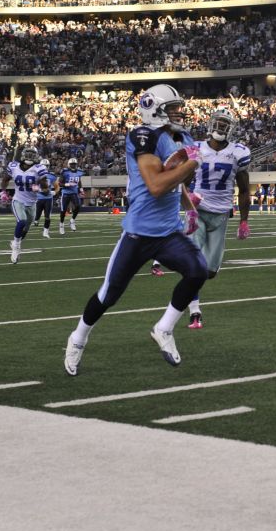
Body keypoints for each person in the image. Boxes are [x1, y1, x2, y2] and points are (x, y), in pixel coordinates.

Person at [64, 84, 209, 376]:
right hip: (138, 234)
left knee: (197, 271)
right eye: (172, 108)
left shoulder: (183, 137)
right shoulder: (142, 135)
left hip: (168, 233)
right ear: (154, 108)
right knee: (109, 294)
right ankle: (78, 337)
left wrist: (189, 205)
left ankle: (164, 328)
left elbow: (175, 178)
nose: (178, 113)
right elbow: (156, 185)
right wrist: (193, 161)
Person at [185, 107, 252, 329]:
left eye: (226, 124)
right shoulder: (196, 148)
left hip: (221, 213)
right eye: (219, 123)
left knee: (210, 271)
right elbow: (182, 182)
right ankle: (194, 311)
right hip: (198, 210)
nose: (221, 127)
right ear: (211, 124)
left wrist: (244, 220)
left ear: (231, 129)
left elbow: (243, 190)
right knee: (193, 263)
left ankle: (191, 291)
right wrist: (188, 203)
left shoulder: (238, 152)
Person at [0, 145, 50, 264]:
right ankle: (16, 246)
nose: (30, 157)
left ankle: (17, 242)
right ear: (23, 155)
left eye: (32, 154)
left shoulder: (39, 168)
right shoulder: (13, 166)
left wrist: (40, 188)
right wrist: (3, 192)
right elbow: (5, 180)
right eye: (28, 154)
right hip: (18, 200)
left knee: (26, 228)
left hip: (32, 203)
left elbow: (45, 187)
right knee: (21, 221)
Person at [57, 157, 85, 234]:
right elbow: (59, 183)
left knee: (78, 206)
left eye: (74, 164)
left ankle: (72, 220)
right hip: (65, 193)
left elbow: (79, 181)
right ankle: (61, 224)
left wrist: (81, 189)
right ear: (69, 164)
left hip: (74, 192)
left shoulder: (79, 172)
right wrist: (67, 184)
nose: (73, 166)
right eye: (72, 164)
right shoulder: (64, 172)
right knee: (63, 210)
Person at [36, 158, 57, 238]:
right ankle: (36, 220)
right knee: (37, 215)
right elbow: (33, 186)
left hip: (48, 198)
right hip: (39, 198)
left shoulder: (51, 176)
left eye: (46, 166)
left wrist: (54, 192)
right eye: (43, 166)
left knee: (48, 216)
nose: (45, 167)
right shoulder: (37, 175)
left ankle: (45, 231)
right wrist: (39, 190)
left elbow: (57, 186)